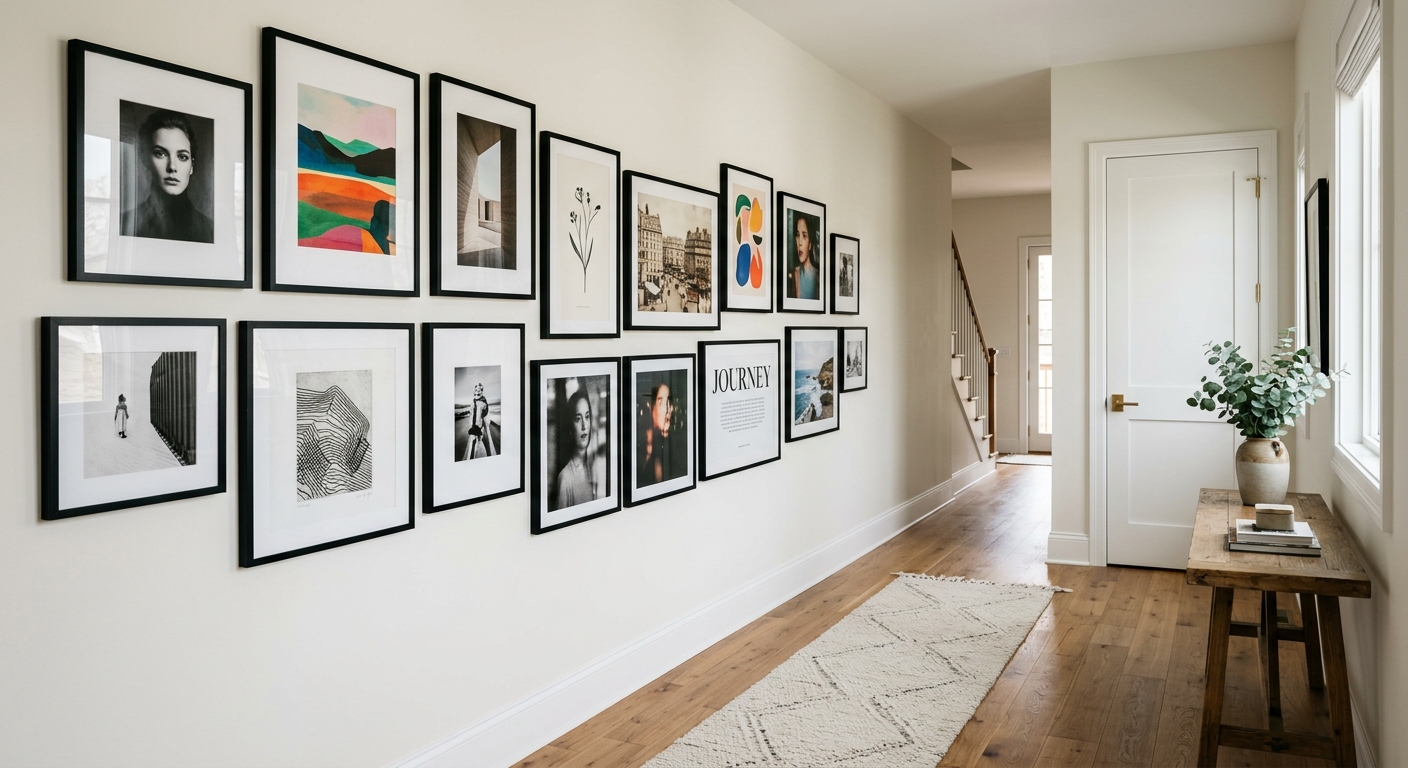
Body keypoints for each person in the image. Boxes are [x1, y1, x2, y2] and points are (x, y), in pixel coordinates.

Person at [122, 109, 214, 243]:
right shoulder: (124, 223)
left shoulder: (211, 229)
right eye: (161, 154)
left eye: (182, 157)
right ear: (145, 159)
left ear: (191, 166)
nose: (172, 167)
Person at [555, 387, 601, 508]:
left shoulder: (595, 467)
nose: (584, 426)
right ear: (570, 427)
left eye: (587, 417)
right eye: (578, 419)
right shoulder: (565, 478)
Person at [639, 382, 685, 486]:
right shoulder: (641, 449)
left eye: (669, 402)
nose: (668, 410)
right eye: (661, 403)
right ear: (651, 407)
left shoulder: (678, 447)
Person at [789, 214, 819, 300]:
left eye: (804, 236)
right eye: (798, 235)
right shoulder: (791, 276)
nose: (800, 242)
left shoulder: (819, 276)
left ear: (810, 244)